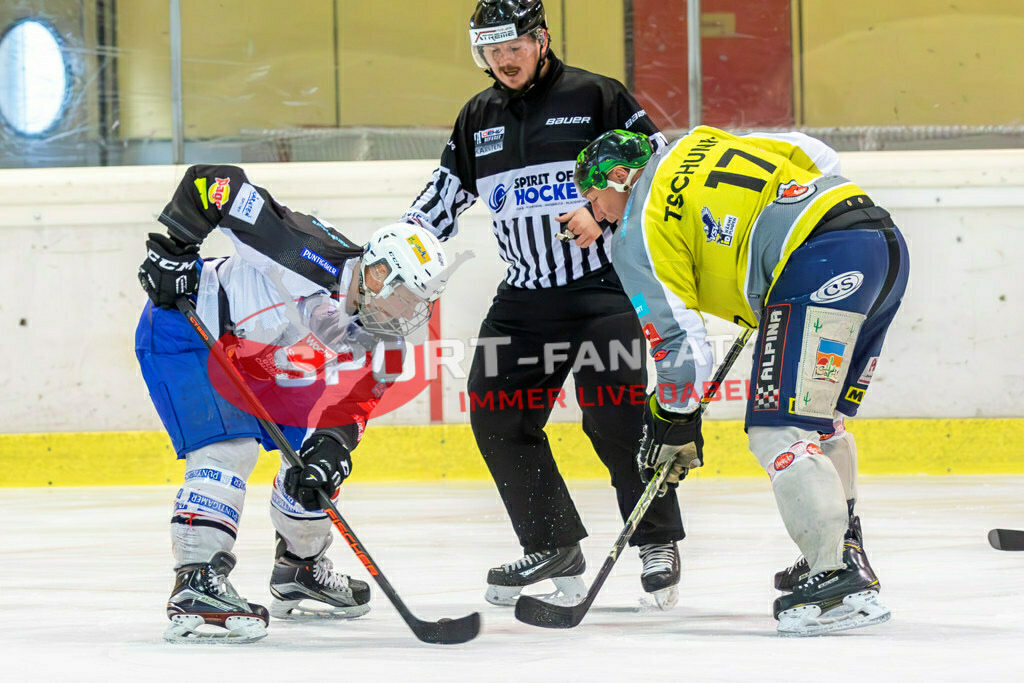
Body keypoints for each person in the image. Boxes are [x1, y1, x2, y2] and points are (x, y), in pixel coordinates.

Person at [402, 0, 684, 609]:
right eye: (491, 50)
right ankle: (553, 543)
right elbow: (443, 197)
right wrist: (397, 246)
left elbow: (659, 163)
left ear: (541, 40)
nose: (503, 60)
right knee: (497, 414)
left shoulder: (595, 95)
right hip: (524, 298)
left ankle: (656, 539)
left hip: (604, 287)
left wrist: (601, 200)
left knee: (616, 419)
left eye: (514, 47)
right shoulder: (477, 117)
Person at [573, 126, 908, 636]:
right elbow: (818, 155)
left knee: (779, 428)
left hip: (819, 258)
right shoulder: (696, 141)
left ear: (619, 178)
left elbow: (681, 349)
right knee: (820, 423)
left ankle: (836, 579)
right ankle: (841, 550)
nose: (598, 215)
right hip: (881, 243)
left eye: (595, 199)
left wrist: (671, 419)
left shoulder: (636, 230)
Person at [135, 164, 450, 642]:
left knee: (314, 468)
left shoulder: (385, 346)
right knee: (230, 449)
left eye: (416, 305)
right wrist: (176, 249)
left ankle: (298, 569)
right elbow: (213, 183)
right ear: (378, 271)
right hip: (189, 330)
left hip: (263, 365)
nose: (406, 313)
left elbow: (348, 410)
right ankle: (196, 579)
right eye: (404, 297)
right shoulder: (305, 250)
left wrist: (331, 449)